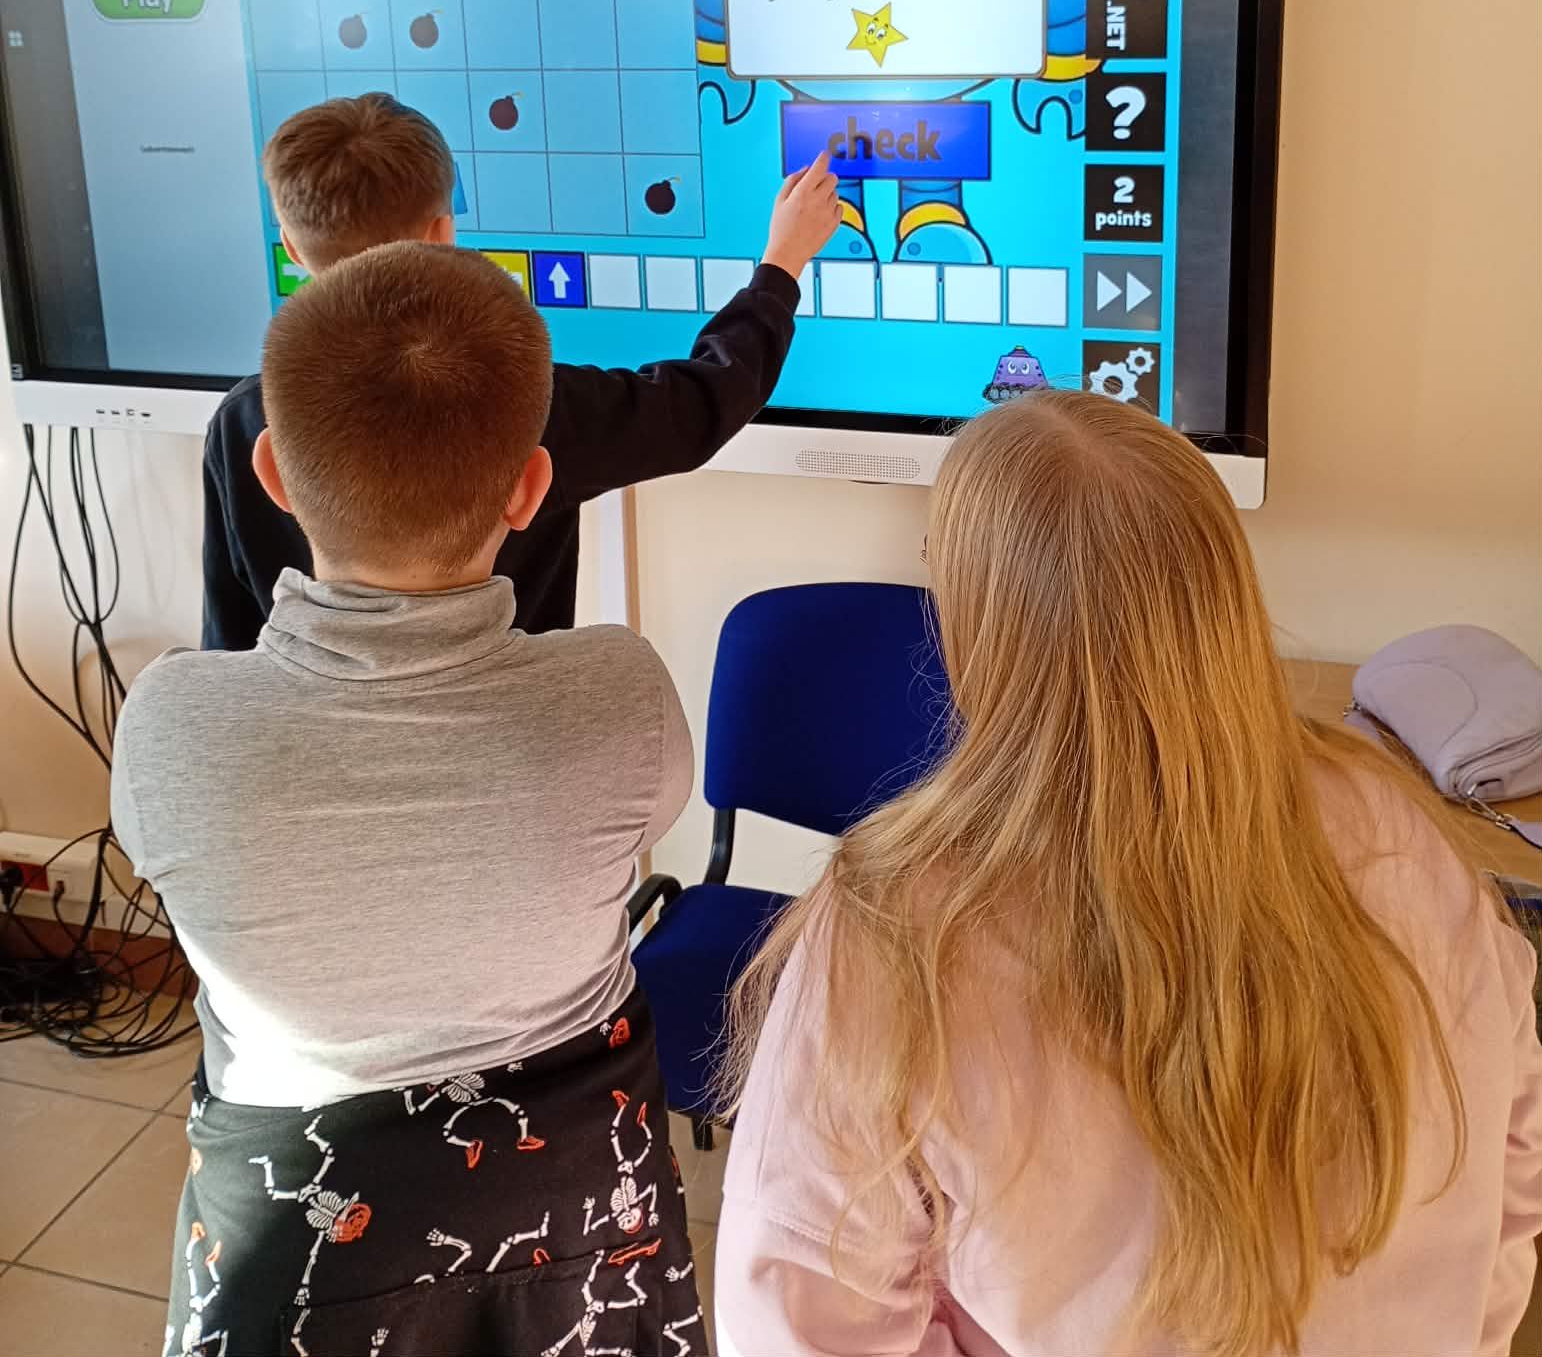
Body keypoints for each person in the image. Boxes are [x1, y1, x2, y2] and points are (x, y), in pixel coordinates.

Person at [716, 392, 1542, 1357]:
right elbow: (1513, 1171)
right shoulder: (1413, 842)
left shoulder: (894, 937)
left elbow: (797, 1326)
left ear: (974, 625)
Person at [113, 243, 712, 1353]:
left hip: (296, 1259)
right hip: (585, 1234)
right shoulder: (622, 691)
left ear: (272, 472)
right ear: (531, 488)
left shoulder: (171, 723)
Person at [202, 90, 839, 650]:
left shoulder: (243, 422)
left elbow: (228, 635)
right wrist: (781, 263)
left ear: (291, 246)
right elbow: (704, 403)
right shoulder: (522, 400)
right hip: (515, 735)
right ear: (442, 232)